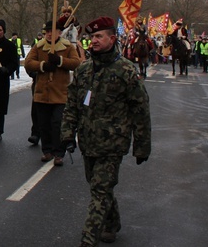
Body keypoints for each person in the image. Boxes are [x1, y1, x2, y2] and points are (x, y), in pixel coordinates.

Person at [61, 16, 151, 247]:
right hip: (88, 142)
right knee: (99, 186)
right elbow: (72, 104)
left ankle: (88, 239)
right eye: (92, 37)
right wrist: (67, 133)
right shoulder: (84, 70)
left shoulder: (126, 71)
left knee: (100, 191)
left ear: (112, 38)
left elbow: (140, 111)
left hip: (113, 145)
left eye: (99, 36)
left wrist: (142, 146)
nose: (94, 41)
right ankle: (112, 224)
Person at [24, 20, 81, 166]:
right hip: (42, 94)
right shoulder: (39, 46)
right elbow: (28, 62)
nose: (49, 34)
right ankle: (47, 151)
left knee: (57, 124)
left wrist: (60, 61)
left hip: (60, 94)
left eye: (52, 31)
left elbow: (76, 63)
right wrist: (42, 65)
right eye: (47, 31)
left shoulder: (67, 46)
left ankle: (59, 153)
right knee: (44, 125)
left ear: (59, 32)